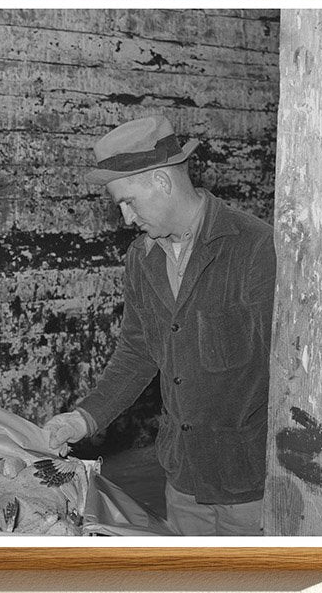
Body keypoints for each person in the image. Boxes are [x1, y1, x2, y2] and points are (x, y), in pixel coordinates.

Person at [41, 115, 276, 537]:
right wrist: (83, 419)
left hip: (250, 482)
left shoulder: (255, 247)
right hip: (182, 476)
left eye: (129, 202)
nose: (127, 219)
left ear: (161, 181)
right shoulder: (142, 258)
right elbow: (136, 353)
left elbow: (288, 370)